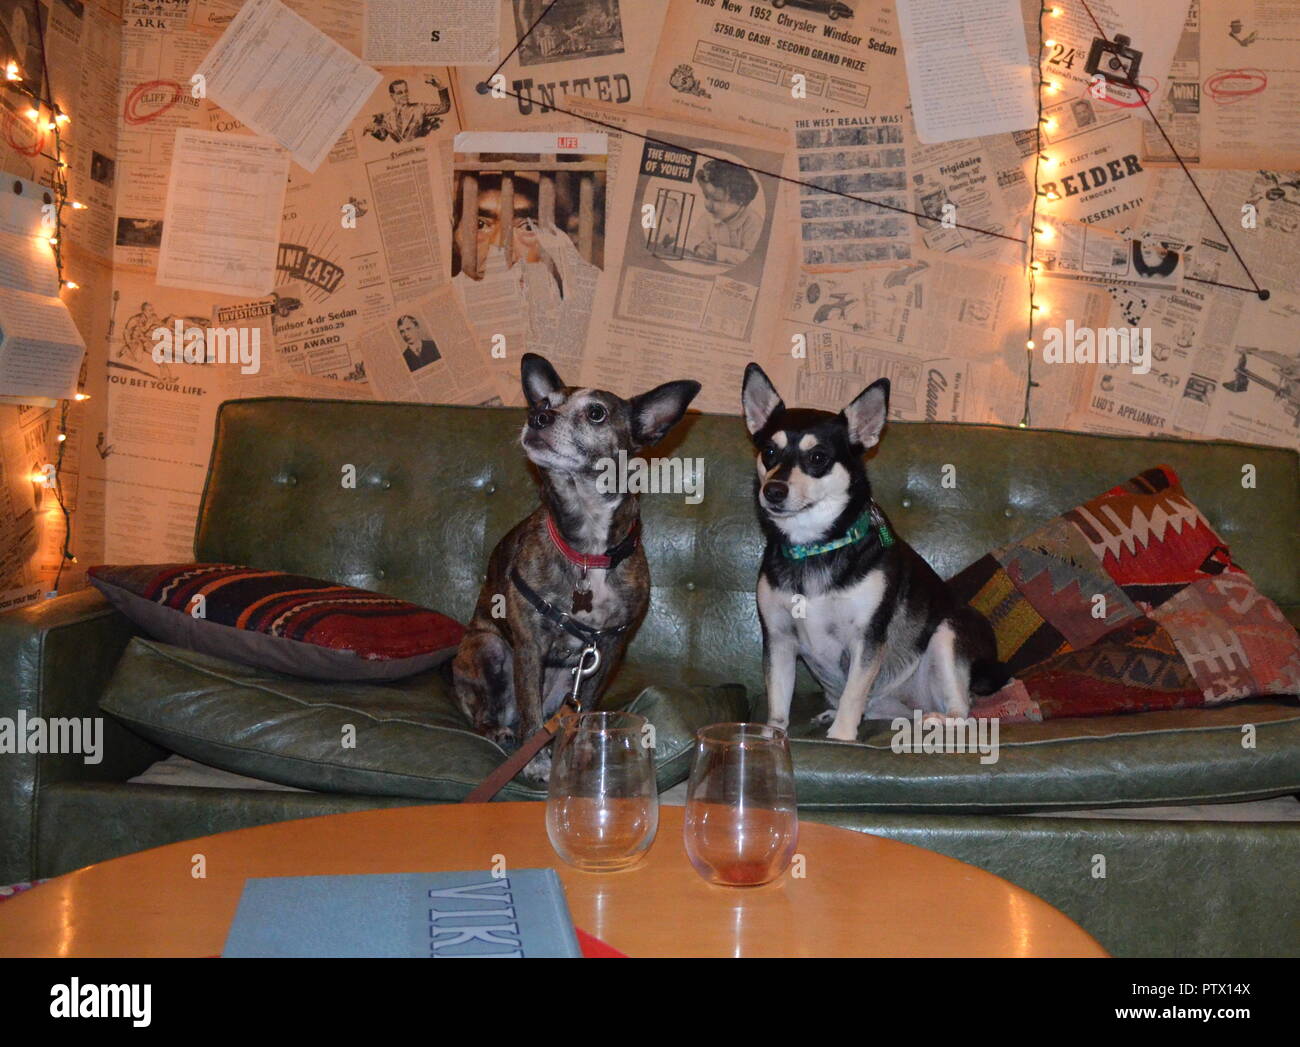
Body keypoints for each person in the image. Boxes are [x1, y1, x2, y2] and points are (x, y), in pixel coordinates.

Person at [693, 160, 762, 265]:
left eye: (717, 200)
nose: (708, 205)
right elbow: (693, 237)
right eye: (706, 196)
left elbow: (753, 257)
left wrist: (719, 252)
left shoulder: (753, 222)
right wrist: (698, 246)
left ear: (740, 200)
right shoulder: (709, 217)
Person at [365, 77, 451, 143]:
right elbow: (382, 137)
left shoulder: (420, 108)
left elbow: (444, 108)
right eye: (400, 93)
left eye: (406, 91)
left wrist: (440, 86)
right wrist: (372, 129)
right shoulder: (388, 117)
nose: (405, 95)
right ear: (392, 96)